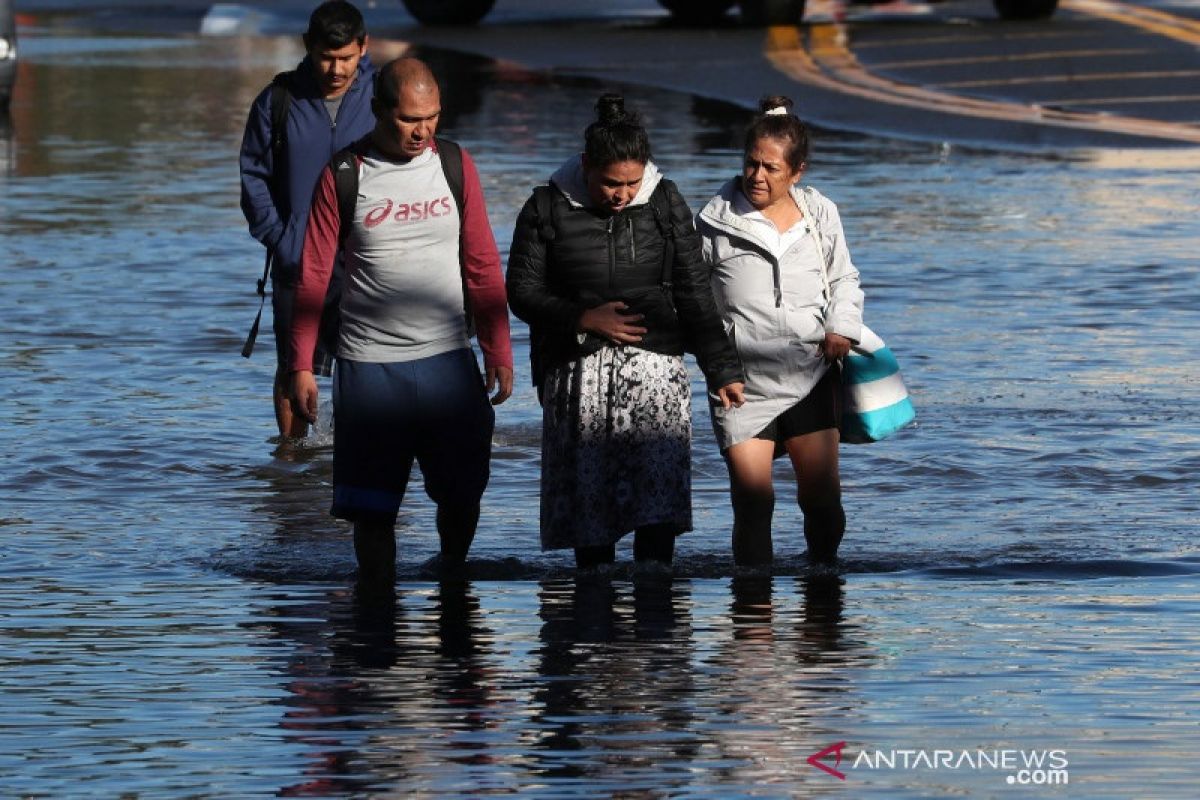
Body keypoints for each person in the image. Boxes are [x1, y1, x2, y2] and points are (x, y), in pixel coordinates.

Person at [290, 57, 514, 587]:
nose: (423, 130)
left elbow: (482, 263)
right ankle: (377, 620)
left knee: (463, 494)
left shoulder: (455, 165)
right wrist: (301, 366)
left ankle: (453, 583)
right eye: (410, 118)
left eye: (432, 116)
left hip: (447, 362)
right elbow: (314, 277)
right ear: (378, 111)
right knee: (372, 512)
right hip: (370, 369)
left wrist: (498, 348)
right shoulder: (344, 175)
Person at [506, 93, 745, 570]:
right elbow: (521, 291)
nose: (622, 194)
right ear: (585, 167)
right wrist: (582, 318)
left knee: (656, 508)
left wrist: (721, 367)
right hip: (578, 379)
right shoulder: (546, 205)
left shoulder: (665, 201)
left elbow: (694, 289)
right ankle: (590, 617)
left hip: (655, 373)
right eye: (610, 184)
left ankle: (655, 619)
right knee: (589, 514)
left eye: (632, 183)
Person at [696, 95, 864, 567]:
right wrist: (716, 363)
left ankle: (824, 586)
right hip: (739, 384)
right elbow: (694, 302)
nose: (758, 176)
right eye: (751, 164)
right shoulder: (712, 220)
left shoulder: (821, 214)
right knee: (752, 501)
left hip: (810, 372)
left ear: (797, 171)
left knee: (821, 500)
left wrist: (841, 328)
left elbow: (844, 279)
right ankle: (753, 612)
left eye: (771, 168)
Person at [239, 1, 375, 439]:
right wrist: (284, 242)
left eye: (346, 58)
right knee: (293, 369)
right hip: (297, 263)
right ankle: (292, 471)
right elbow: (254, 179)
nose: (336, 68)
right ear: (307, 47)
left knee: (370, 370)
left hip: (368, 262)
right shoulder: (276, 101)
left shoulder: (383, 96)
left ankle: (365, 464)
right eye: (326, 57)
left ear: (363, 48)